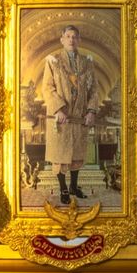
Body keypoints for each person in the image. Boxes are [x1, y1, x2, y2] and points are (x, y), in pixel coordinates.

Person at [40, 25, 102, 204]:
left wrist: (91, 111)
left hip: (79, 117)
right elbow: (47, 88)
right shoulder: (53, 61)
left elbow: (94, 90)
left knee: (77, 154)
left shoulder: (87, 63)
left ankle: (74, 186)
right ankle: (64, 189)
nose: (71, 39)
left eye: (75, 36)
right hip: (61, 118)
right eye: (68, 36)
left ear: (79, 40)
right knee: (60, 156)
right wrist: (58, 109)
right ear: (62, 39)